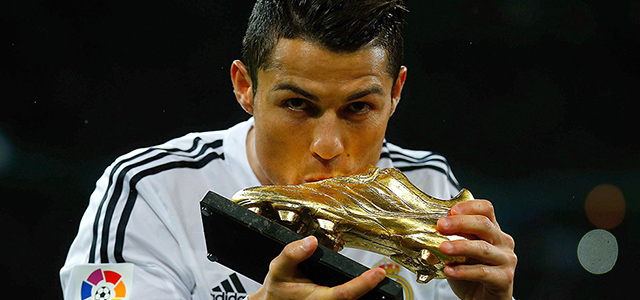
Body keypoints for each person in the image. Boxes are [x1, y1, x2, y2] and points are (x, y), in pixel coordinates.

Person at [60, 1, 517, 299]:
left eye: (359, 107)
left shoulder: (429, 189)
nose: (328, 146)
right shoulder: (149, 191)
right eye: (298, 104)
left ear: (395, 93)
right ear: (245, 87)